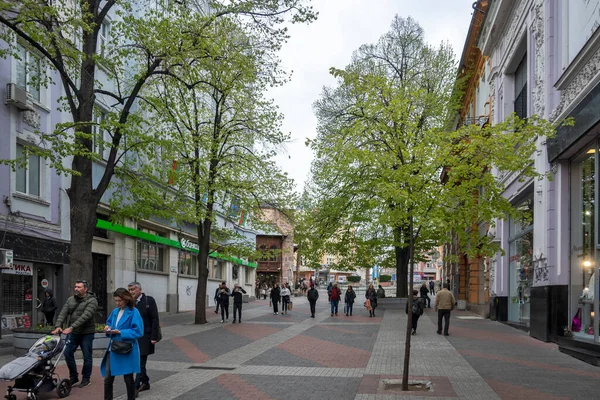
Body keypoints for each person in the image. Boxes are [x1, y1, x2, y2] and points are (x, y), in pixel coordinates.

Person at [52, 279, 98, 388]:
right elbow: (63, 313)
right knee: (67, 353)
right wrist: (58, 326)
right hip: (74, 333)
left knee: (87, 356)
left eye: (79, 287)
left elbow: (85, 316)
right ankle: (74, 377)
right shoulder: (70, 299)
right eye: (75, 286)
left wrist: (71, 327)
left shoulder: (92, 301)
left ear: (85, 289)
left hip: (86, 333)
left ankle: (86, 378)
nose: (76, 289)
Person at [101, 288, 144, 400]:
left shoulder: (134, 312)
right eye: (116, 300)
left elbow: (138, 331)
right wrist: (107, 328)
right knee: (108, 378)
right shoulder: (115, 312)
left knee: (128, 378)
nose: (117, 303)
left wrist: (120, 332)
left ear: (126, 299)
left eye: (120, 300)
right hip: (114, 348)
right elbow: (109, 324)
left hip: (127, 348)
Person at [127, 282, 160, 395]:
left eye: (133, 289)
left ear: (139, 289)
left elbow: (155, 319)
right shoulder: (130, 303)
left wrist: (154, 337)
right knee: (137, 362)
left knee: (140, 363)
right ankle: (145, 381)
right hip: (133, 336)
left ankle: (135, 388)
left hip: (145, 336)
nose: (131, 292)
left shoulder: (149, 301)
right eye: (129, 290)